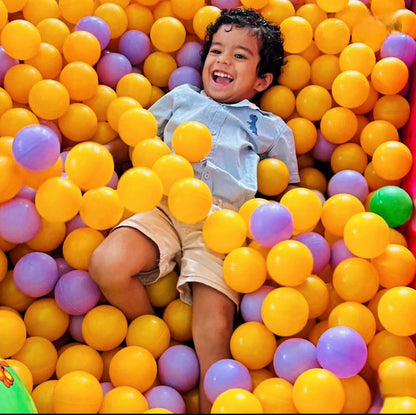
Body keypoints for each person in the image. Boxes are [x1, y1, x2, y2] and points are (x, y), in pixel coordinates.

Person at [89, 7, 299, 413]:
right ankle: (152, 338)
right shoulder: (183, 98)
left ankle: (208, 402)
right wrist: (88, 158)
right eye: (217, 51)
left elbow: (288, 189)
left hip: (222, 224)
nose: (222, 60)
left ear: (262, 80)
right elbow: (136, 140)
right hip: (162, 201)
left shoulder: (271, 127)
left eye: (240, 56)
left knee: (214, 331)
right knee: (106, 263)